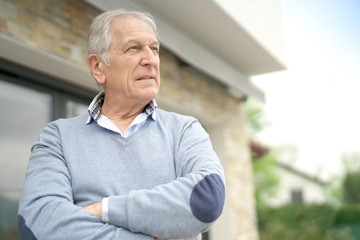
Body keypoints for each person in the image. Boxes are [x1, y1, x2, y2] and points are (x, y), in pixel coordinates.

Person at [18, 9, 225, 240]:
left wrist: (101, 210)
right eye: (133, 48)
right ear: (98, 67)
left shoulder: (185, 130)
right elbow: (38, 226)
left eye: (154, 49)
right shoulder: (58, 137)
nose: (150, 60)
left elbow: (207, 199)